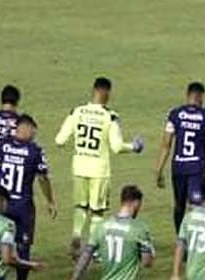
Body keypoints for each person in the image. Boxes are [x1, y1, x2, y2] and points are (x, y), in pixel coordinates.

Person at [54, 76, 144, 258]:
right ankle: (91, 249)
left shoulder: (76, 112)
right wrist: (134, 146)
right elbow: (117, 147)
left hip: (79, 166)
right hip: (99, 170)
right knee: (97, 211)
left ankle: (76, 234)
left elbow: (59, 140)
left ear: (93, 90)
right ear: (106, 92)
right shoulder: (109, 116)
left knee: (80, 206)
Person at [0, 114, 57, 280]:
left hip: (2, 204)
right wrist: (50, 201)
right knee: (23, 247)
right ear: (25, 128)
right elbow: (42, 178)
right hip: (23, 206)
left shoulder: (0, 145)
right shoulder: (34, 151)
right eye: (33, 130)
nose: (34, 134)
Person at [154, 81, 205, 233]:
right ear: (201, 96)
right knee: (196, 204)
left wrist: (158, 171)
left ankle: (180, 237)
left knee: (179, 205)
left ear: (187, 95)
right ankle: (194, 238)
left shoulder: (175, 114)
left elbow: (166, 144)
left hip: (178, 166)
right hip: (197, 167)